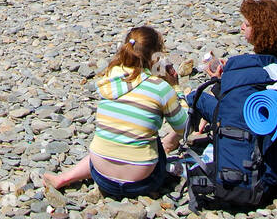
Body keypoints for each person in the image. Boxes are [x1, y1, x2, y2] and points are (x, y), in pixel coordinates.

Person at [42, 26, 187, 199]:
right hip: (142, 182)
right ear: (156, 56)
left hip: (102, 176)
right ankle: (166, 145)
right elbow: (184, 127)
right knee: (149, 136)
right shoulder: (160, 87)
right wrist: (176, 88)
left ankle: (65, 178)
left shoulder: (110, 78)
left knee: (112, 138)